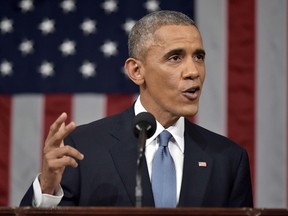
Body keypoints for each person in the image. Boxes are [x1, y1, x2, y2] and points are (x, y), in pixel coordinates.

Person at [20, 10, 253, 207]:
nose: (193, 71)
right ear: (136, 71)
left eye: (199, 57)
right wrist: (47, 187)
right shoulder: (84, 147)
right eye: (175, 57)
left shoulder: (229, 159)